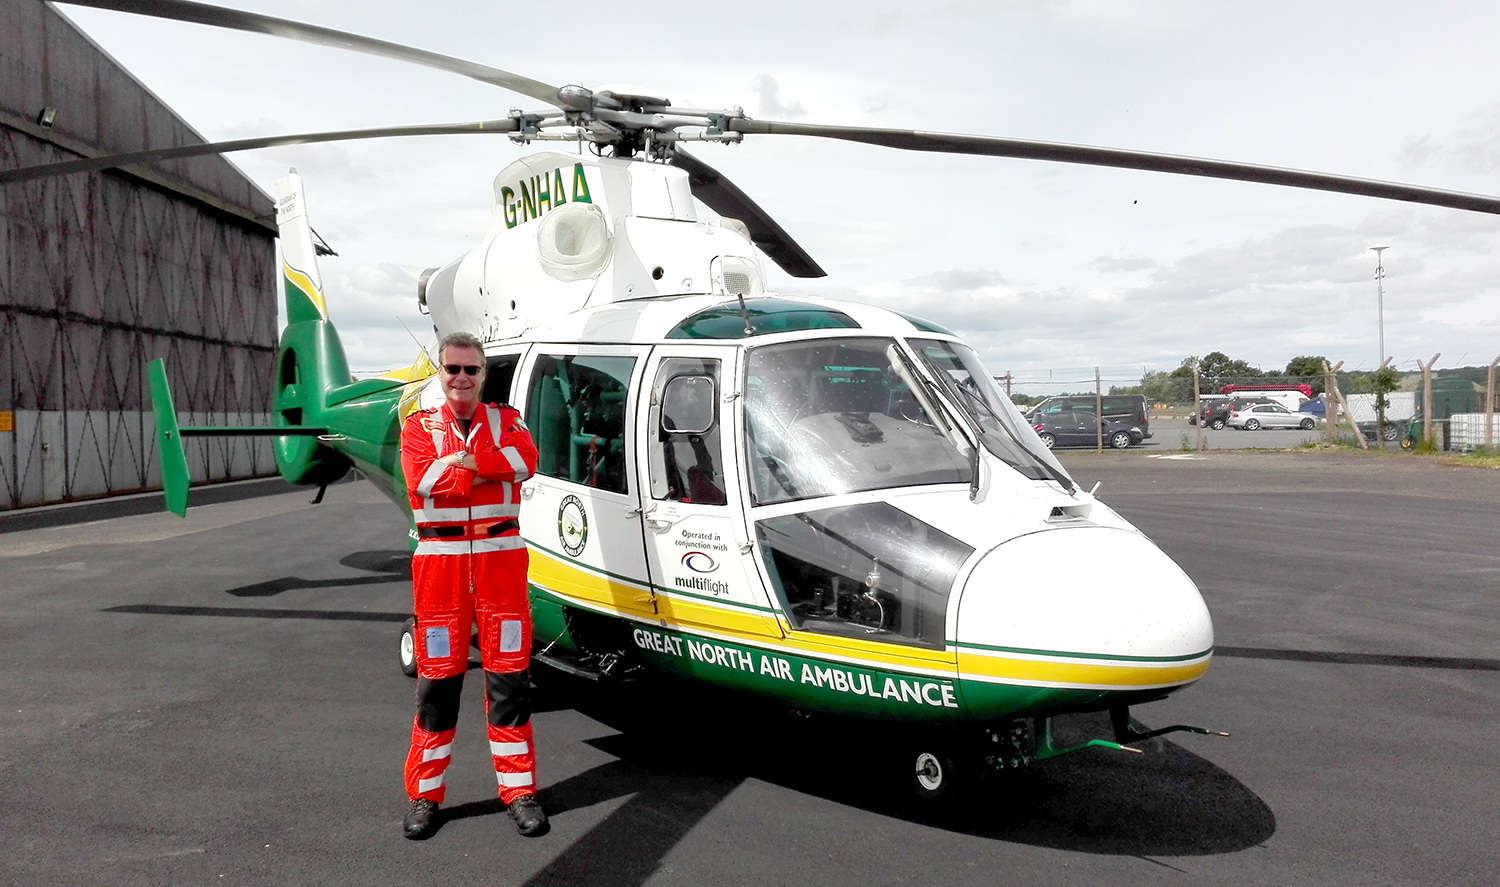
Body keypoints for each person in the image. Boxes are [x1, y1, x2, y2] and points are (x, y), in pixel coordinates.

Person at [398, 331, 546, 839]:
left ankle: (519, 790)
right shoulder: (418, 428)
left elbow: (526, 462)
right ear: (440, 373)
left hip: (500, 571)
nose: (461, 378)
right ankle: (424, 797)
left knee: (511, 685)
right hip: (440, 575)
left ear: (484, 374)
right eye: (452, 369)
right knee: (437, 687)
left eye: (471, 370)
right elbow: (423, 480)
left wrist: (467, 462)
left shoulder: (509, 422)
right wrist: (484, 468)